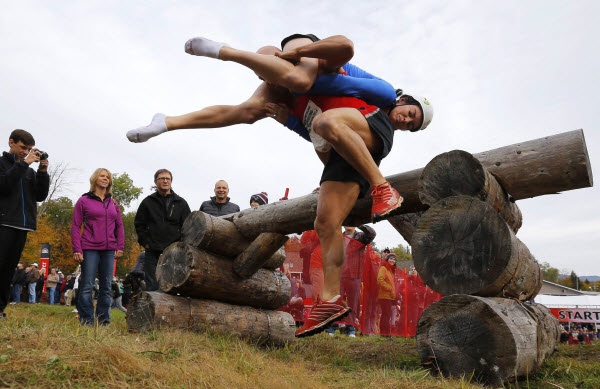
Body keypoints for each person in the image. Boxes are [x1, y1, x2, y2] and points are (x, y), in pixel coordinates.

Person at [129, 34, 433, 337]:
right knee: (326, 223)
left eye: (412, 122)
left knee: (323, 119)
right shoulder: (280, 96)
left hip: (367, 129)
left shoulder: (373, 91)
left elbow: (345, 46)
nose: (407, 120)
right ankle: (330, 300)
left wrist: (297, 52)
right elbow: (248, 116)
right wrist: (288, 121)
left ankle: (381, 187)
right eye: (410, 115)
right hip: (340, 151)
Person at [0, 129, 50, 319]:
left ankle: (0, 309)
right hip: (3, 222)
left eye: (29, 149)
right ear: (11, 142)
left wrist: (42, 172)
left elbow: (40, 195)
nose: (26, 152)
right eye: (23, 148)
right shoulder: (2, 164)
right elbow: (3, 185)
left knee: (8, 270)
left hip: (22, 225)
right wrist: (24, 163)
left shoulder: (29, 171)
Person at [71, 168, 124, 325]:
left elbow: (119, 226)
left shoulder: (113, 203)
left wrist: (119, 246)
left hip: (109, 249)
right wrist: (77, 248)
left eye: (108, 177)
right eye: (102, 176)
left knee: (106, 287)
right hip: (89, 247)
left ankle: (103, 321)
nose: (105, 179)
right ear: (95, 179)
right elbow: (75, 226)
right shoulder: (84, 200)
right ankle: (87, 320)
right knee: (87, 285)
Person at [134, 169, 191, 291]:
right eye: (162, 178)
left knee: (172, 285)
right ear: (156, 182)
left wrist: (182, 245)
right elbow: (139, 224)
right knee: (152, 285)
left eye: (168, 178)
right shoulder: (148, 202)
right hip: (152, 250)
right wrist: (146, 243)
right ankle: (154, 310)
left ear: (171, 181)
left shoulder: (180, 203)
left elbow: (187, 226)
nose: (165, 181)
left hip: (174, 252)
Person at [325, 225, 376, 338]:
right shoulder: (338, 237)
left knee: (353, 303)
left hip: (355, 275)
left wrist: (361, 224)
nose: (349, 224)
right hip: (339, 275)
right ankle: (332, 327)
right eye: (347, 222)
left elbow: (372, 234)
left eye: (352, 222)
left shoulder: (361, 237)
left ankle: (350, 329)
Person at [377, 253, 397, 336]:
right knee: (386, 314)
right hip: (384, 296)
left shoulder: (391, 271)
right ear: (387, 259)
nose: (392, 260)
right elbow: (379, 280)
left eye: (394, 259)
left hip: (389, 297)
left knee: (387, 314)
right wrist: (389, 288)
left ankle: (385, 333)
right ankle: (384, 333)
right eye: (391, 259)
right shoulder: (383, 268)